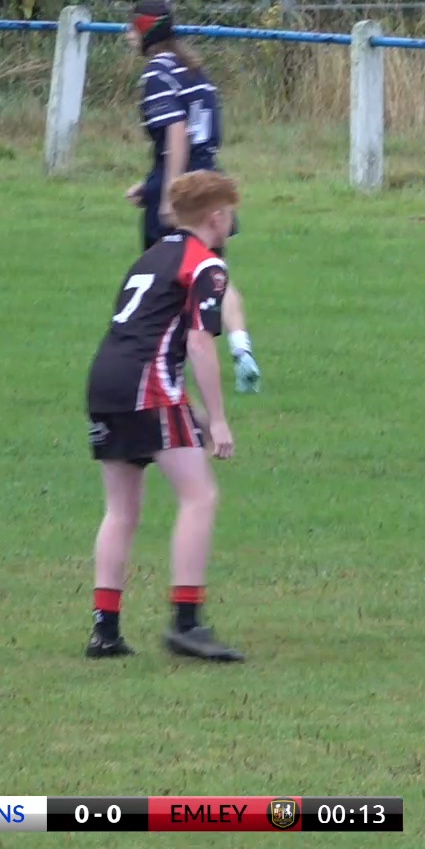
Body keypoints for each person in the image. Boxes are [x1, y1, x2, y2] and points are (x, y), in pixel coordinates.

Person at [83, 171, 246, 662]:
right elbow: (197, 342)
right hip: (147, 385)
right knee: (200, 496)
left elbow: (148, 332)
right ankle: (187, 623)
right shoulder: (207, 265)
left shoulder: (152, 256)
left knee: (121, 510)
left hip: (105, 381)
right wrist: (217, 418)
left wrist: (190, 412)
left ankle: (105, 631)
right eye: (231, 213)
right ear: (216, 217)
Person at [122, 0, 261, 395]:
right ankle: (241, 349)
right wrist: (150, 184)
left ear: (147, 30)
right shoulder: (194, 69)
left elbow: (177, 133)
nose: (127, 35)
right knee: (215, 274)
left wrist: (168, 194)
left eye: (132, 28)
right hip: (209, 179)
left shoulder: (156, 72)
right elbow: (204, 136)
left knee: (163, 280)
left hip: (185, 187)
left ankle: (160, 365)